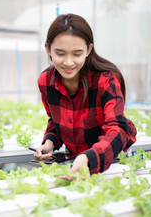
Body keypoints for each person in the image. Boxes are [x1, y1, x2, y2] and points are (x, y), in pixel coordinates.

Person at [34, 14, 137, 180]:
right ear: (48, 49)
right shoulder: (45, 81)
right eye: (60, 54)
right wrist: (49, 143)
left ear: (89, 50)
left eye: (77, 54)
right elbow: (55, 121)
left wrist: (89, 157)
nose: (68, 63)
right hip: (77, 158)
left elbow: (118, 128)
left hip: (113, 156)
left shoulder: (105, 80)